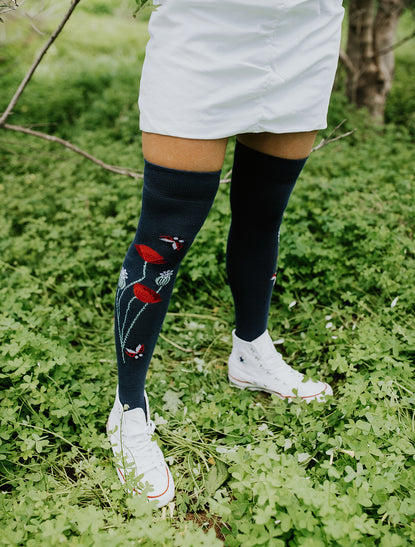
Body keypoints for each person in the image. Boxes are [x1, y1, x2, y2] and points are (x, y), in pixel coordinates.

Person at [107, 0, 345, 508]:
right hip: (205, 28)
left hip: (305, 28)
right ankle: (128, 409)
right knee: (163, 241)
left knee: (264, 219)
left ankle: (251, 351)